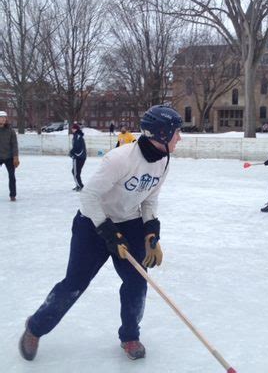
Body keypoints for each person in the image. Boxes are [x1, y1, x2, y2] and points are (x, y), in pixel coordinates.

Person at [19, 105, 183, 362]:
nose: (180, 138)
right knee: (74, 285)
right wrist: (108, 232)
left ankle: (130, 335)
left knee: (137, 283)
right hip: (91, 224)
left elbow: (150, 199)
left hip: (130, 223)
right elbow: (89, 196)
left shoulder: (164, 161)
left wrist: (151, 233)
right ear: (162, 134)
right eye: (177, 132)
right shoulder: (120, 159)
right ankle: (35, 327)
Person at [0, 110, 19, 201]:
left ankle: (13, 195)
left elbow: (14, 144)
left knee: (12, 176)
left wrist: (16, 157)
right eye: (1, 118)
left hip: (9, 157)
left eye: (4, 118)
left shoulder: (11, 131)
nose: (2, 119)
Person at [69, 123, 87, 191]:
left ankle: (80, 186)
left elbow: (76, 146)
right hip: (80, 156)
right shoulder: (77, 135)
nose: (72, 129)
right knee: (76, 172)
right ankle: (78, 185)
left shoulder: (77, 136)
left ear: (76, 129)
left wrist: (71, 152)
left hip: (78, 157)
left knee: (75, 172)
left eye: (73, 128)